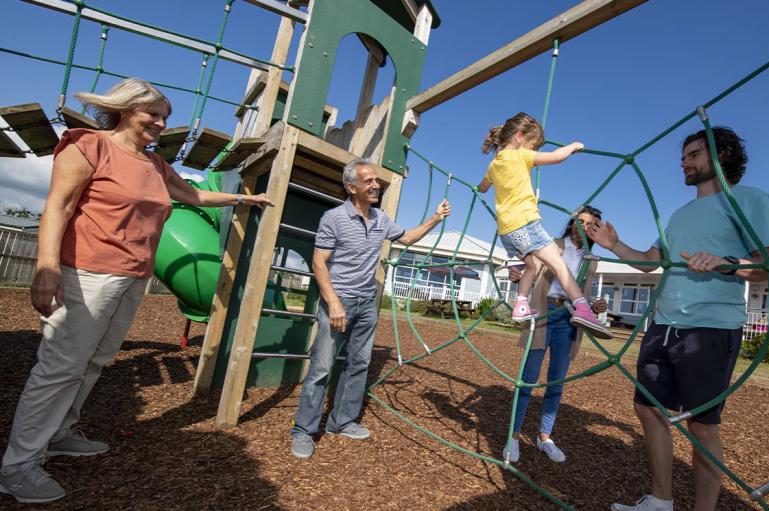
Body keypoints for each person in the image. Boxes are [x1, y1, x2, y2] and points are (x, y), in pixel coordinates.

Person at [0, 78, 273, 504]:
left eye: (166, 118)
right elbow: (58, 205)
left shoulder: (154, 164)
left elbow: (193, 195)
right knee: (59, 367)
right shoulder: (89, 146)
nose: (162, 124)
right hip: (84, 273)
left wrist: (243, 201)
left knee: (94, 361)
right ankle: (17, 467)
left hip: (131, 278)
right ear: (126, 109)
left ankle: (59, 433)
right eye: (154, 115)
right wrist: (47, 267)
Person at [588, 127, 769, 511]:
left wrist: (728, 264)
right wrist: (614, 245)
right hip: (663, 326)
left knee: (702, 426)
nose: (684, 161)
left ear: (722, 155)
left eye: (693, 154)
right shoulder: (678, 215)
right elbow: (649, 263)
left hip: (711, 329)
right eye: (684, 156)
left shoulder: (750, 200)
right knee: (648, 408)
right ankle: (660, 502)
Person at [290, 158, 451, 460]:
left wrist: (435, 218)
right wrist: (334, 301)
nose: (376, 185)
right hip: (339, 301)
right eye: (369, 181)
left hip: (366, 303)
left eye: (377, 181)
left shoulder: (381, 219)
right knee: (322, 366)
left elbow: (407, 237)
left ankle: (341, 422)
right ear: (352, 187)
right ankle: (303, 431)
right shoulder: (334, 218)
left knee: (359, 364)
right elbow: (318, 263)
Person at [478, 112, 611, 339]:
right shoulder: (520, 156)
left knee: (533, 266)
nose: (534, 150)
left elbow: (482, 187)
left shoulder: (494, 165)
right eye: (533, 145)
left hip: (507, 231)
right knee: (560, 266)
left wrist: (481, 188)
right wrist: (574, 145)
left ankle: (521, 305)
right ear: (520, 137)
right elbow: (558, 157)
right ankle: (582, 308)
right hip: (526, 224)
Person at [503, 206, 609, 464]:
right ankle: (514, 436)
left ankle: (544, 436)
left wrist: (593, 305)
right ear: (571, 223)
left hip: (569, 318)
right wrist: (519, 275)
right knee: (529, 377)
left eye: (589, 224)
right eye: (579, 221)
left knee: (556, 381)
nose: (582, 227)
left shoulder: (591, 260)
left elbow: (580, 289)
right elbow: (534, 268)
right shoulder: (553, 244)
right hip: (544, 313)